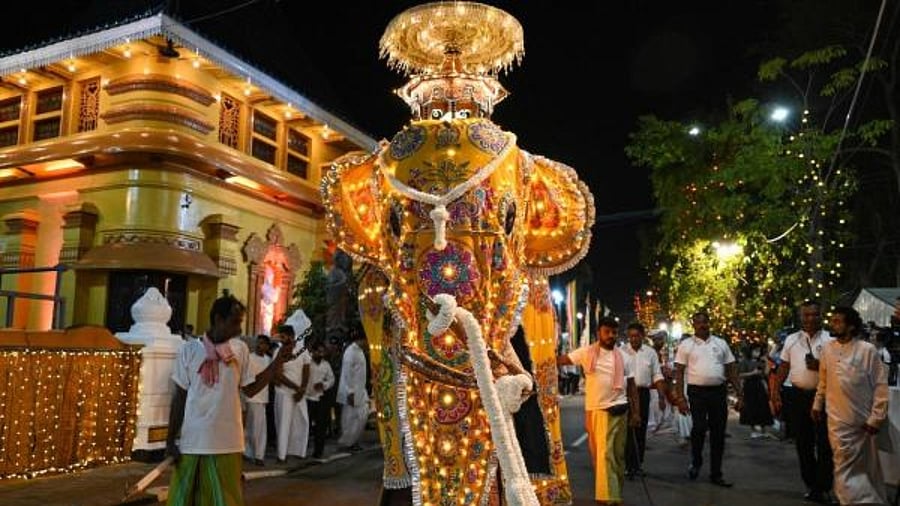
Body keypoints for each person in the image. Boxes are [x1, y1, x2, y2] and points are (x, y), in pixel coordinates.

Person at [165, 294, 293, 506]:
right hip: (194, 441)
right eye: (234, 322)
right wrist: (170, 440)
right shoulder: (188, 350)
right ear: (217, 319)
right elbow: (179, 397)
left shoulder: (240, 350)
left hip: (228, 441)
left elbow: (250, 389)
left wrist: (278, 360)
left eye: (240, 323)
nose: (239, 330)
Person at [558, 317, 640, 505]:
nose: (611, 336)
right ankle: (607, 498)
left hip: (621, 410)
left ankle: (613, 494)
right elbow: (562, 360)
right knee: (604, 456)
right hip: (598, 411)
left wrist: (636, 413)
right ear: (599, 333)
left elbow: (632, 386)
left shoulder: (624, 356)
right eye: (607, 332)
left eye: (614, 332)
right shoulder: (587, 353)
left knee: (617, 457)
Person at [812, 306, 889, 506]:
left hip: (862, 421)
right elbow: (823, 381)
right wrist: (817, 404)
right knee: (841, 462)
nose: (832, 324)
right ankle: (851, 500)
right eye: (833, 320)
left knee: (866, 467)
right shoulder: (828, 349)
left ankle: (868, 500)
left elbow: (880, 386)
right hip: (837, 420)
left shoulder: (867, 350)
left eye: (838, 321)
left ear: (851, 326)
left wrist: (876, 417)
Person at [770, 301, 834, 503]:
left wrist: (820, 366)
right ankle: (811, 485)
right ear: (800, 317)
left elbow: (842, 369)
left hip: (824, 397)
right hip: (797, 396)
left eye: (814, 314)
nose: (810, 319)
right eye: (806, 315)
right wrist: (775, 393)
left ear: (821, 315)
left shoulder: (831, 339)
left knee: (825, 444)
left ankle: (823, 486)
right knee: (803, 443)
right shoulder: (791, 339)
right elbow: (783, 367)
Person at [672, 311, 742, 488]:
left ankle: (716, 473)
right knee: (699, 428)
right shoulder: (686, 345)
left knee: (719, 433)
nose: (702, 325)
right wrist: (680, 397)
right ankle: (696, 462)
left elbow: (731, 369)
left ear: (709, 323)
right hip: (697, 393)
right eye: (698, 322)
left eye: (705, 322)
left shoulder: (721, 343)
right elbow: (679, 372)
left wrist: (740, 394)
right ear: (693, 324)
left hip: (718, 393)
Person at [621, 322, 672, 479]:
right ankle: (627, 466)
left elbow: (657, 375)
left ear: (642, 336)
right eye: (631, 336)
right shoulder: (620, 351)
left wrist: (662, 397)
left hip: (643, 394)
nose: (634, 339)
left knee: (640, 430)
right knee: (627, 431)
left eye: (637, 336)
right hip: (624, 395)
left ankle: (638, 465)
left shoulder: (650, 353)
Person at [274, 333, 310, 463]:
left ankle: (297, 451)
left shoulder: (303, 350)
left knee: (301, 420)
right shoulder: (279, 351)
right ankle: (281, 456)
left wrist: (302, 389)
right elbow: (277, 374)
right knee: (284, 423)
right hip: (284, 392)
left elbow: (306, 369)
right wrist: (297, 388)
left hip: (299, 393)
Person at [337, 330, 368, 452]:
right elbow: (346, 373)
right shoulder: (350, 352)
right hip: (352, 392)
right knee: (349, 419)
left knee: (361, 416)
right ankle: (347, 443)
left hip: (360, 390)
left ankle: (353, 441)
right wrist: (349, 392)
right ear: (362, 339)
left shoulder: (360, 351)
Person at [243, 335, 272, 466]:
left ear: (267, 346)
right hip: (250, 396)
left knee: (259, 428)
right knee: (250, 427)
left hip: (261, 398)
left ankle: (258, 454)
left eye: (262, 343)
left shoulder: (268, 360)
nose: (259, 346)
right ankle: (250, 452)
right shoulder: (249, 357)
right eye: (258, 343)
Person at [305, 339, 335, 459]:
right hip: (307, 398)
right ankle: (301, 450)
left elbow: (331, 379)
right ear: (313, 351)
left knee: (320, 427)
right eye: (318, 351)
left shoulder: (326, 365)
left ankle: (318, 451)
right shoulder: (308, 362)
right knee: (305, 426)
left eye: (322, 352)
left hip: (320, 398)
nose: (320, 354)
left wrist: (324, 385)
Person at [737, 346, 773, 439]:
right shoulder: (745, 362)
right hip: (749, 386)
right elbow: (740, 375)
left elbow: (766, 374)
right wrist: (752, 373)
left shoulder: (761, 361)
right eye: (755, 350)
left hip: (759, 385)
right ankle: (753, 430)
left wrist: (767, 363)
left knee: (763, 407)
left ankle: (763, 430)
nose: (757, 352)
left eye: (758, 351)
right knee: (751, 407)